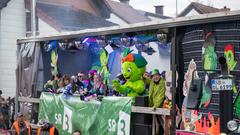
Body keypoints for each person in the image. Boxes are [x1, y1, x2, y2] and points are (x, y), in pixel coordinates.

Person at [143, 69, 166, 135]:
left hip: (160, 106)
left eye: (157, 75)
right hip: (153, 106)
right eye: (154, 76)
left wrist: (156, 106)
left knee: (162, 122)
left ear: (159, 76)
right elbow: (145, 79)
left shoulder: (162, 83)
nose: (155, 77)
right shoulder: (152, 82)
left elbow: (161, 96)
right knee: (156, 123)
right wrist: (142, 75)